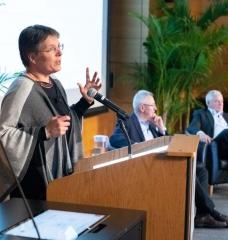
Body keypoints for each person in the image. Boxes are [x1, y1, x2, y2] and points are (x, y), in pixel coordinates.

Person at [0, 24, 101, 200]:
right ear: (32, 57)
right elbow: (4, 134)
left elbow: (64, 124)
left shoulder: (56, 84)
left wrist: (85, 103)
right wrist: (44, 132)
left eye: (59, 47)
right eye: (51, 49)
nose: (59, 53)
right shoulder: (20, 89)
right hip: (33, 187)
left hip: (58, 180)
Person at [110, 90, 228, 228]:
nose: (155, 109)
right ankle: (211, 212)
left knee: (200, 170)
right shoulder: (127, 122)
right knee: (188, 171)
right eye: (153, 105)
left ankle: (203, 215)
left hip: (163, 163)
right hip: (147, 168)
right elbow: (115, 139)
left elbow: (172, 144)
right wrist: (137, 146)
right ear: (142, 108)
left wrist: (162, 129)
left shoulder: (153, 126)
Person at [186, 89, 228, 159]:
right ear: (208, 103)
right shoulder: (201, 113)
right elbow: (192, 127)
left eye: (222, 101)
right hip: (215, 144)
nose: (221, 104)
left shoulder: (226, 116)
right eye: (217, 101)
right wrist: (201, 133)